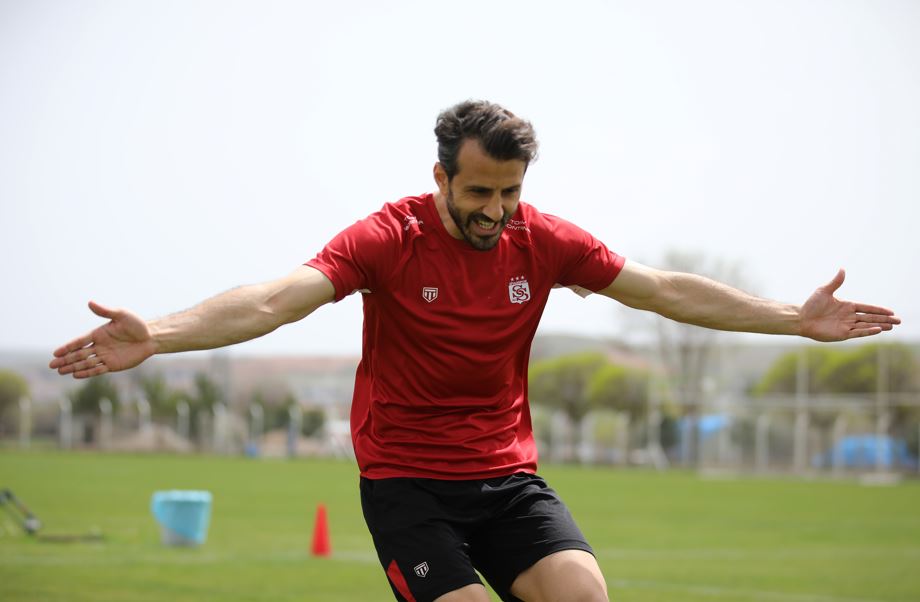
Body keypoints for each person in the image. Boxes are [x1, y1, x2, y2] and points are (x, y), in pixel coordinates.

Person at [50, 100, 900, 602]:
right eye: (480, 192)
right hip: (407, 483)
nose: (497, 210)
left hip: (506, 478)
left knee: (584, 594)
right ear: (441, 178)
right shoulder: (388, 238)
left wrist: (793, 319)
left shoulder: (544, 240)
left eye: (511, 192)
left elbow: (663, 290)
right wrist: (159, 335)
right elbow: (278, 299)